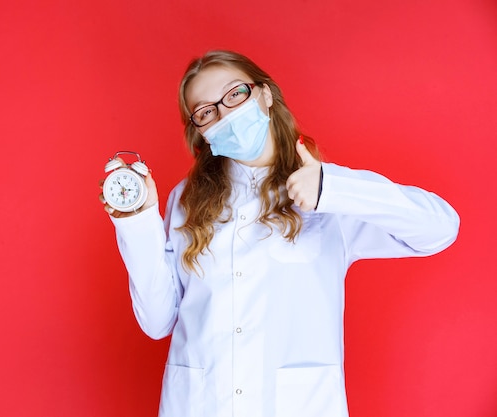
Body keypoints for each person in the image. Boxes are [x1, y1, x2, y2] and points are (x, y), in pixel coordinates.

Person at [99, 50, 459, 417]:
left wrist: (333, 188)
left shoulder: (328, 195)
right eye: (206, 111)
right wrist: (138, 222)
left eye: (235, 94)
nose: (225, 114)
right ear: (202, 132)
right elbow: (158, 322)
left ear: (266, 95)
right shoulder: (185, 200)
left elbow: (440, 228)